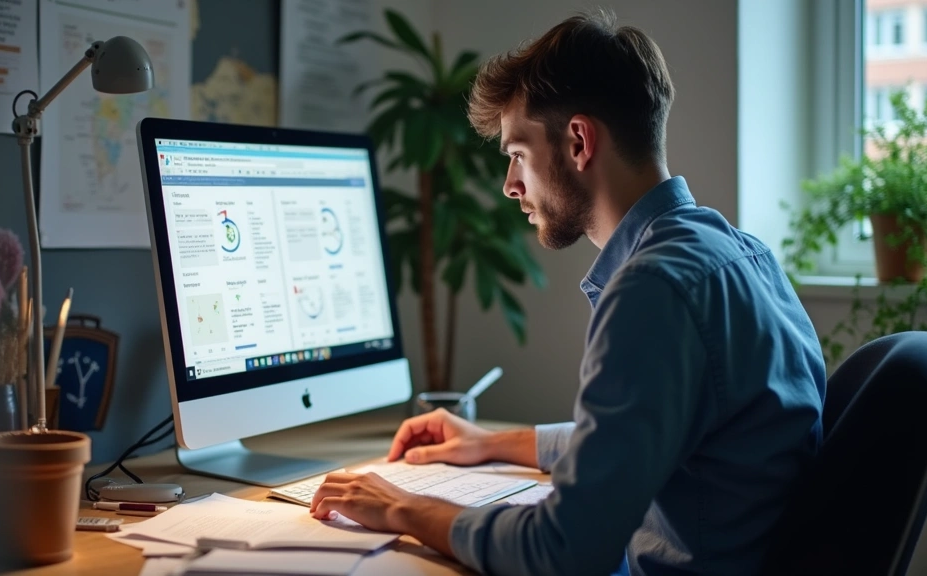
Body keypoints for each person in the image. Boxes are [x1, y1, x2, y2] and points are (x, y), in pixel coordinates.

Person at [309, 10, 827, 576]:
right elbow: (632, 441)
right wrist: (493, 443)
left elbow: (563, 550)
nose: (510, 185)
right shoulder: (742, 253)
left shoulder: (653, 288)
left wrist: (404, 507)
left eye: (517, 154)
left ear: (578, 140)